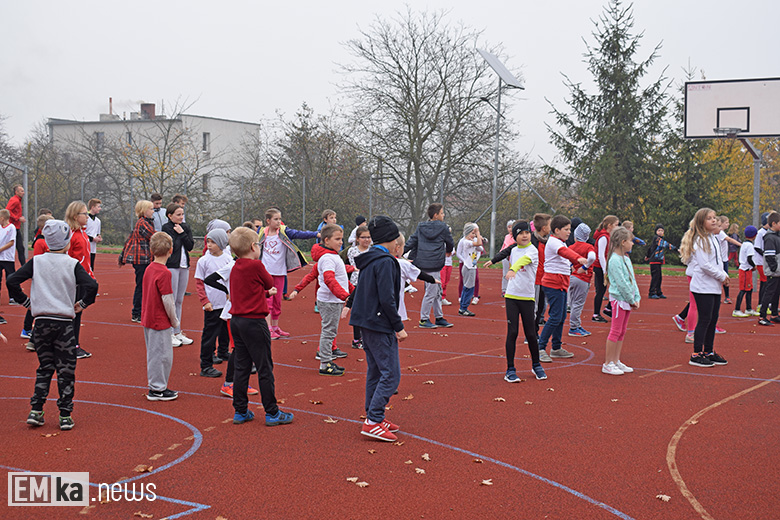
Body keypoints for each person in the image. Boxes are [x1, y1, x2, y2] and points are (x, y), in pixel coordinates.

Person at [9, 219, 97, 430]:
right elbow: (92, 285)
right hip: (64, 324)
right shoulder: (71, 264)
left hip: (41, 323)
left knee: (45, 367)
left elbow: (12, 280)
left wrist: (27, 303)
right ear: (67, 243)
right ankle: (65, 414)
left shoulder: (36, 261)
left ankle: (36, 409)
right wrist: (82, 304)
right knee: (66, 370)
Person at [226, 227, 293, 426]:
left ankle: (240, 410)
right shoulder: (256, 266)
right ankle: (272, 412)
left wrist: (263, 293)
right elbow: (268, 281)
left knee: (241, 366)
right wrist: (267, 290)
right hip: (254, 322)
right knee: (265, 367)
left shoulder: (235, 266)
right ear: (253, 247)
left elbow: (247, 291)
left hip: (237, 321)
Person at [350, 216, 407, 442]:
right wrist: (398, 326)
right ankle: (373, 420)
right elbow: (387, 298)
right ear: (392, 240)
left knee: (376, 371)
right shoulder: (385, 261)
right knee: (391, 374)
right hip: (378, 323)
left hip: (367, 321)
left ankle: (374, 415)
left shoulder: (370, 259)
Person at [257, 207, 317, 338]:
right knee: (268, 301)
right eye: (276, 219)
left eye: (280, 219)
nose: (279, 221)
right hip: (266, 272)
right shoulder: (261, 232)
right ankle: (267, 329)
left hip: (279, 272)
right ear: (268, 221)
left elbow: (299, 234)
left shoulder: (284, 232)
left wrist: (315, 234)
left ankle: (275, 326)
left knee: (277, 301)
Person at [680, 208, 729, 368]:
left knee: (713, 319)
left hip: (713, 286)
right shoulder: (700, 240)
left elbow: (717, 262)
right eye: (709, 218)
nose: (714, 220)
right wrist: (722, 276)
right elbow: (705, 264)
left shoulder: (713, 238)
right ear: (701, 222)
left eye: (714, 217)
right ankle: (696, 354)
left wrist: (723, 275)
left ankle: (708, 351)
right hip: (702, 287)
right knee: (705, 319)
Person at [498, 220, 547, 382]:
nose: (525, 236)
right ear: (515, 236)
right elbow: (507, 254)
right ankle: (510, 369)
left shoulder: (532, 250)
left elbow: (524, 261)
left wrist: (513, 269)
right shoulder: (513, 249)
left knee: (531, 334)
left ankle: (536, 365)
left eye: (527, 232)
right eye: (521, 233)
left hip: (527, 298)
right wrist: (494, 259)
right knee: (512, 332)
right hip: (511, 297)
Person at [538, 216, 588, 362]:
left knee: (560, 317)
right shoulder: (554, 242)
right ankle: (540, 348)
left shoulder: (561, 242)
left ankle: (556, 347)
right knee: (555, 317)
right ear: (557, 230)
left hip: (561, 283)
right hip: (552, 283)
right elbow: (565, 253)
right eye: (566, 229)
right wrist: (578, 258)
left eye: (569, 229)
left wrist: (576, 267)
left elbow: (564, 261)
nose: (569, 232)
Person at [141, 232, 180, 401]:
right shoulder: (164, 273)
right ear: (171, 250)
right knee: (162, 356)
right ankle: (157, 388)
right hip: (159, 320)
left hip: (148, 317)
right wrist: (174, 320)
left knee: (154, 353)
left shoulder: (150, 268)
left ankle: (157, 385)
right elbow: (168, 300)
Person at [404, 203, 455, 329]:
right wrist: (449, 250)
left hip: (423, 262)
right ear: (436, 215)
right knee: (432, 292)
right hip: (434, 263)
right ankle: (424, 319)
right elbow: (450, 242)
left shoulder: (421, 226)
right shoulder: (443, 227)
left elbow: (412, 240)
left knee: (437, 290)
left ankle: (439, 317)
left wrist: (401, 251)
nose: (443, 215)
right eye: (442, 213)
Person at [602, 226, 641, 375]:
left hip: (627, 300)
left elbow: (632, 280)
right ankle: (608, 363)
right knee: (615, 330)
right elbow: (621, 283)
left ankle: (616, 360)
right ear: (623, 242)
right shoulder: (614, 261)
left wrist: (637, 297)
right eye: (631, 241)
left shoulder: (626, 258)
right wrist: (631, 299)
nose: (632, 244)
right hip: (619, 300)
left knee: (622, 331)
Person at [316, 224, 353, 376]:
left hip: (335, 300)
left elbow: (342, 278)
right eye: (337, 239)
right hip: (330, 301)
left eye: (341, 239)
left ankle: (327, 360)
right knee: (329, 331)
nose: (340, 242)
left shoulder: (334, 256)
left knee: (331, 331)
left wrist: (352, 290)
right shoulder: (327, 259)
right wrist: (344, 295)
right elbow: (329, 279)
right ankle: (324, 364)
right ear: (326, 240)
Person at [194, 229, 231, 378]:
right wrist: (205, 301)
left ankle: (223, 351)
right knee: (209, 335)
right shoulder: (203, 260)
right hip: (212, 305)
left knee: (225, 331)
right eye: (208, 242)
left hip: (226, 303)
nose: (209, 245)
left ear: (222, 243)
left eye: (213, 242)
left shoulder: (228, 259)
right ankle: (206, 365)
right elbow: (199, 283)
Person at [65, 201, 95, 360]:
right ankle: (72, 346)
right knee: (73, 312)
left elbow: (85, 259)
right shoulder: (71, 234)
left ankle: (73, 344)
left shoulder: (82, 233)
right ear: (76, 216)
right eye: (85, 213)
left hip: (82, 278)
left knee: (77, 311)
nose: (88, 216)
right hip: (74, 280)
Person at [162, 203, 194, 347]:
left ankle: (177, 331)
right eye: (178, 214)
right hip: (172, 266)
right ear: (170, 216)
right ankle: (168, 332)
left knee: (179, 300)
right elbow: (172, 247)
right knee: (172, 300)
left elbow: (190, 246)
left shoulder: (185, 228)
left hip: (184, 266)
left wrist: (182, 232)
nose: (181, 217)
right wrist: (178, 234)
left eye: (182, 214)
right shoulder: (166, 228)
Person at [119, 200, 155, 323]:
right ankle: (137, 312)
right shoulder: (143, 223)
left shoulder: (146, 222)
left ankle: (140, 311)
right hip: (142, 259)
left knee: (144, 286)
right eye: (150, 209)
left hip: (144, 258)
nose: (153, 211)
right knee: (142, 286)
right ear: (143, 210)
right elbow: (154, 237)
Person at [20, 214, 53, 343]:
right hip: (41, 277)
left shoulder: (47, 241)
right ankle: (27, 329)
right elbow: (38, 260)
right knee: (36, 304)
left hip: (49, 276)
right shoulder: (40, 242)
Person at [567, 223, 596, 337]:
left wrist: (571, 267)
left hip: (572, 277)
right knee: (578, 304)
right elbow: (592, 257)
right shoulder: (589, 247)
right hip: (582, 278)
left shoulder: (571, 247)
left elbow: (566, 260)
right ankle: (574, 327)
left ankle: (576, 325)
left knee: (573, 302)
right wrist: (585, 267)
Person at [347, 224, 372, 348]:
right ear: (357, 238)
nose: (366, 240)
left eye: (368, 237)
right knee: (357, 311)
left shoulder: (373, 250)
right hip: (357, 282)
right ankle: (357, 339)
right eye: (363, 237)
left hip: (370, 283)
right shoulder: (352, 251)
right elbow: (356, 266)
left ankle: (367, 336)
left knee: (368, 310)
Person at [592, 215, 619, 322]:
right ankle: (596, 314)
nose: (617, 227)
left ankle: (607, 309)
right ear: (609, 225)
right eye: (616, 225)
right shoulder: (603, 237)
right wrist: (605, 271)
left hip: (604, 267)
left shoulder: (608, 236)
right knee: (600, 291)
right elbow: (601, 255)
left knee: (603, 290)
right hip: (600, 267)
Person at [456, 223, 484, 317]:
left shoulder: (472, 241)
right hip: (468, 267)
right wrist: (478, 233)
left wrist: (476, 238)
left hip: (472, 266)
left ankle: (463, 308)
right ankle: (463, 308)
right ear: (467, 233)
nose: (475, 235)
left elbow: (480, 248)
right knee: (469, 288)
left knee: (467, 287)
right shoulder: (466, 242)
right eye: (473, 233)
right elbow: (479, 243)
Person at [531, 213, 552, 332]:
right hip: (535, 279)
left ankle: (535, 332)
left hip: (544, 278)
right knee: (534, 308)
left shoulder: (548, 241)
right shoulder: (532, 241)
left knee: (541, 308)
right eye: (550, 225)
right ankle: (531, 334)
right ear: (544, 228)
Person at [758, 212, 780, 325]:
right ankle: (762, 316)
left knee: (776, 293)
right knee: (769, 293)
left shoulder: (777, 236)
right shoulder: (770, 238)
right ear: (774, 223)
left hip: (778, 272)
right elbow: (770, 255)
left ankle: (774, 314)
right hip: (774, 271)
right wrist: (774, 268)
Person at [733, 225, 758, 318]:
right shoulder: (750, 246)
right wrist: (754, 266)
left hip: (746, 270)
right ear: (754, 235)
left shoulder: (744, 244)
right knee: (743, 290)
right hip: (745, 270)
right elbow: (749, 258)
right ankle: (737, 309)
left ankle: (749, 308)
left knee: (749, 289)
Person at [645, 224, 677, 299]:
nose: (660, 232)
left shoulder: (659, 239)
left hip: (658, 261)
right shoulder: (657, 239)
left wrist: (647, 255)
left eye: (662, 230)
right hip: (654, 260)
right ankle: (652, 292)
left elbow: (650, 248)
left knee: (659, 277)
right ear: (656, 231)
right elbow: (665, 244)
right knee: (655, 277)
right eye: (659, 230)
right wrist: (676, 249)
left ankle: (658, 292)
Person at [717, 216, 741, 304]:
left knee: (724, 278)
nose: (728, 224)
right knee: (723, 278)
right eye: (726, 223)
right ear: (721, 223)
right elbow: (730, 240)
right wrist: (741, 245)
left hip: (724, 259)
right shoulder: (720, 233)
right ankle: (725, 296)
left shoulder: (721, 233)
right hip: (722, 260)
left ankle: (725, 296)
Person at [0, 209, 16, 321]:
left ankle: (13, 297)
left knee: (11, 278)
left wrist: (0, 249)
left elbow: (11, 242)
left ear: (2, 218)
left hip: (8, 258)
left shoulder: (11, 228)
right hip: (0, 258)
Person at [754, 212, 772, 311]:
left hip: (764, 261)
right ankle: (761, 304)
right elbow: (757, 247)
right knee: (765, 283)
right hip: (761, 262)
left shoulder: (767, 232)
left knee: (765, 283)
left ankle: (764, 303)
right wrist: (766, 255)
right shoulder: (761, 232)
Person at [5, 184, 26, 266]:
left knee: (20, 248)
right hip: (13, 227)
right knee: (20, 248)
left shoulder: (18, 200)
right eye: (21, 191)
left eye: (23, 191)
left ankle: (23, 267)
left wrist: (18, 217)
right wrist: (18, 218)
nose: (23, 193)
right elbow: (7, 211)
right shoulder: (15, 200)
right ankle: (24, 267)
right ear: (16, 192)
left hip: (15, 227)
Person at [85, 198, 102, 271]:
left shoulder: (98, 221)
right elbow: (82, 233)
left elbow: (97, 234)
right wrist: (92, 239)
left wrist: (99, 238)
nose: (100, 208)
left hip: (92, 249)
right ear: (92, 207)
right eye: (98, 207)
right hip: (85, 248)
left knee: (91, 268)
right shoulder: (85, 219)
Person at [500, 220, 516, 295]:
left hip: (513, 257)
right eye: (509, 227)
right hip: (505, 257)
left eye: (512, 227)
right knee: (505, 273)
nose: (510, 229)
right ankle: (504, 289)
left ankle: (513, 289)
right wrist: (499, 255)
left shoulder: (516, 237)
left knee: (513, 273)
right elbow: (504, 246)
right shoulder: (506, 236)